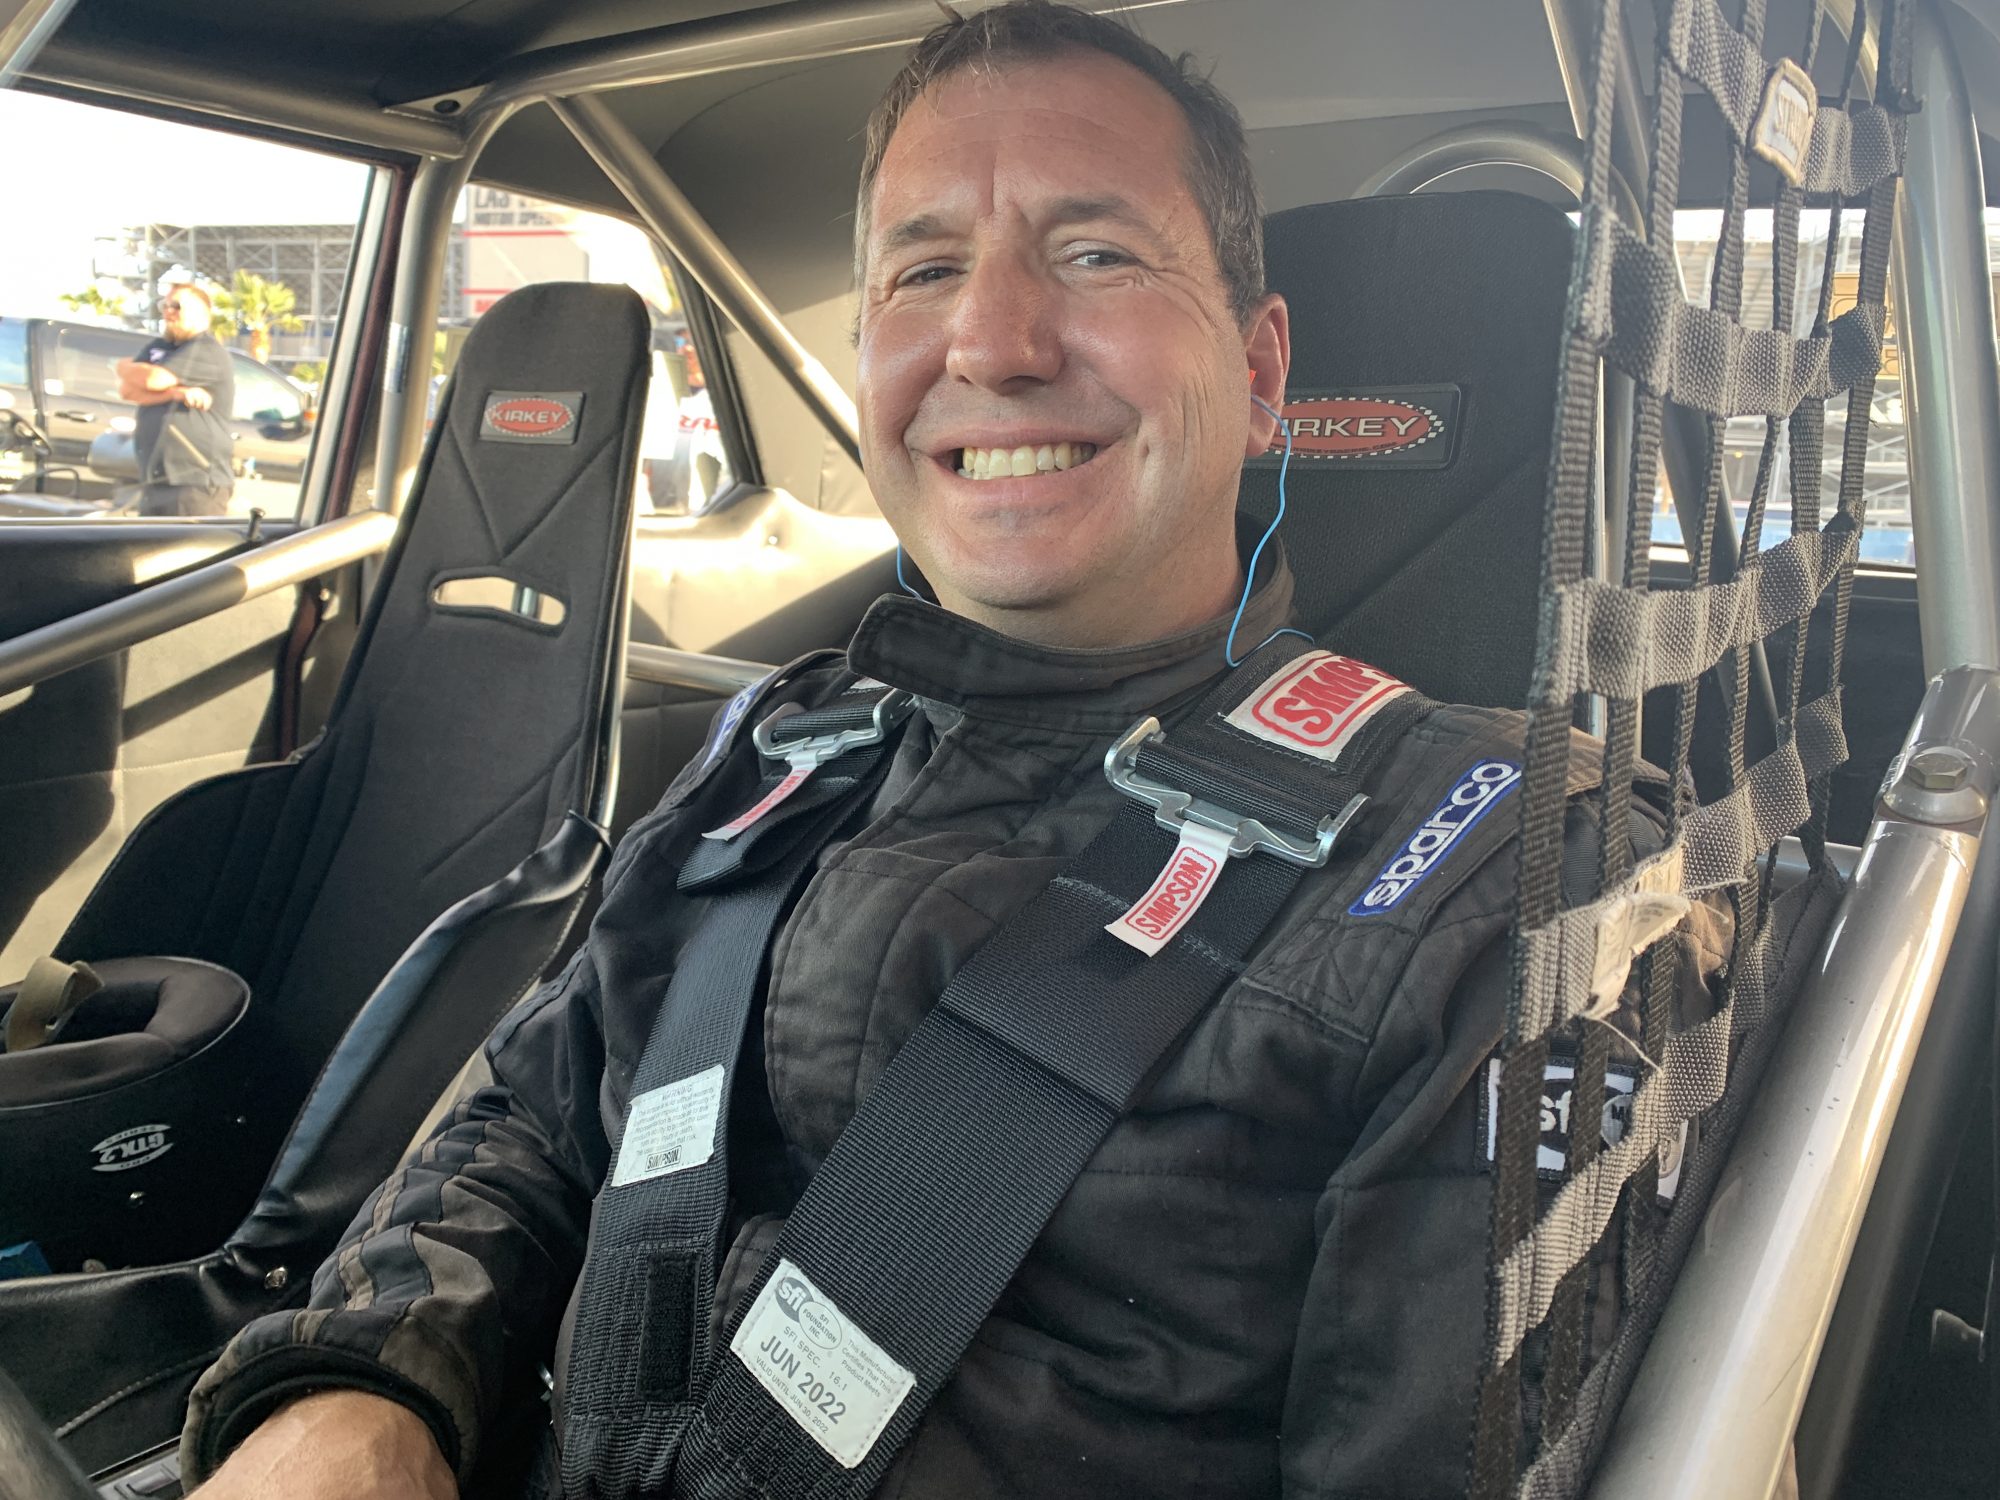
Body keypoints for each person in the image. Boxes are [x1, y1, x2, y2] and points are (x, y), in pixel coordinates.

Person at [181, 6, 1724, 1497]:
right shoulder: (782, 741)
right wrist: (362, 1385)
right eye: (925, 271)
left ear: (1262, 379)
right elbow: (534, 1108)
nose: (991, 339)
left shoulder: (1523, 875)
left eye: (1096, 252)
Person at [116, 282, 236, 517]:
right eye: (165, 305)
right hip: (155, 480)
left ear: (201, 313)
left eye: (176, 306)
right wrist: (174, 393)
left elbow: (153, 379)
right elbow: (127, 391)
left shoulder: (206, 349)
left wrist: (128, 368)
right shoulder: (158, 347)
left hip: (194, 483)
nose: (168, 311)